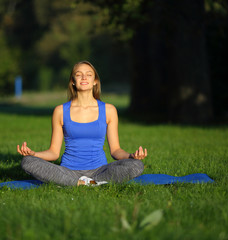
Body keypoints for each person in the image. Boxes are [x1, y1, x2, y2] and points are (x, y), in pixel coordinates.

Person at [17, 61, 147, 186]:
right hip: (68, 171)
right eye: (79, 74)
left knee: (136, 165)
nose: (84, 77)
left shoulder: (109, 110)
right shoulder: (60, 111)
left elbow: (115, 150)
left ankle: (83, 183)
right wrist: (34, 154)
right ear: (73, 81)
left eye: (89, 74)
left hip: (100, 171)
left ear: (95, 81)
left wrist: (131, 156)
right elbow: (54, 152)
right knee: (28, 161)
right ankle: (82, 183)